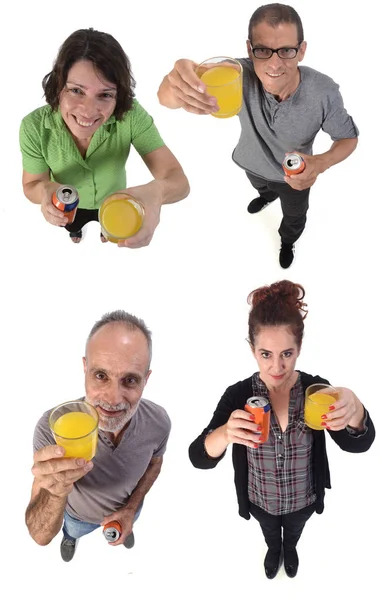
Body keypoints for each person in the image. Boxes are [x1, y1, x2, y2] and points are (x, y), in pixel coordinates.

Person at [189, 280, 375, 579]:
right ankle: (274, 550)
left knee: (294, 532)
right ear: (252, 349)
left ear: (299, 348)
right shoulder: (238, 395)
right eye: (266, 354)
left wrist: (357, 412)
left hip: (304, 499)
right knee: (270, 533)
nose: (277, 367)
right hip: (260, 499)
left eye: (286, 354)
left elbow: (358, 443)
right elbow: (197, 457)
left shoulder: (317, 391)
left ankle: (290, 549)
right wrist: (225, 433)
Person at [157, 3, 358, 268]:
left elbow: (348, 138)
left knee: (294, 217)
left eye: (286, 50)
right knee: (261, 187)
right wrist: (176, 82)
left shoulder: (324, 92)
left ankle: (287, 241)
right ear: (250, 50)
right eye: (263, 50)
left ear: (302, 51)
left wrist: (320, 163)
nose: (274, 64)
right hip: (250, 162)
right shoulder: (235, 75)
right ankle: (266, 197)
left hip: (294, 178)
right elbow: (166, 98)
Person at [20, 28, 189, 247]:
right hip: (68, 203)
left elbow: (179, 181)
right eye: (76, 91)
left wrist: (157, 192)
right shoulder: (33, 127)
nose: (88, 111)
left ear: (118, 97)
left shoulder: (131, 116)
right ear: (58, 85)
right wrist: (45, 191)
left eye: (105, 95)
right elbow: (32, 183)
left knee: (107, 226)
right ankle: (76, 231)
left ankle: (104, 231)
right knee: (73, 224)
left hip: (113, 204)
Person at [26, 310, 171, 562]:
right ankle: (70, 538)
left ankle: (126, 529)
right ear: (85, 368)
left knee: (125, 526)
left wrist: (130, 509)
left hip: (128, 512)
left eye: (130, 380)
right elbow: (39, 535)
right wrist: (56, 492)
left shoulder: (159, 422)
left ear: (146, 380)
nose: (112, 399)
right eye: (101, 376)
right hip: (76, 518)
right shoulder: (52, 429)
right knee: (71, 531)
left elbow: (155, 464)